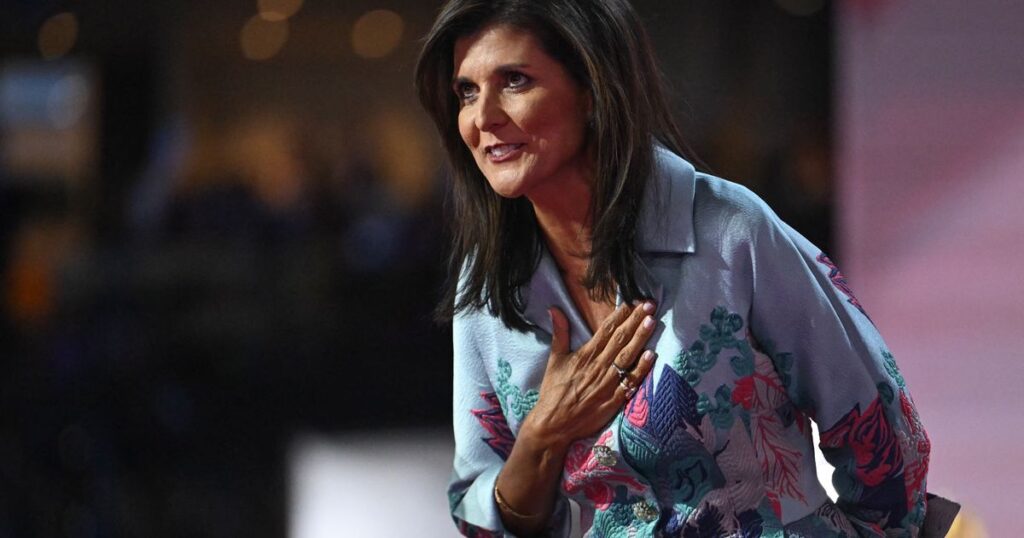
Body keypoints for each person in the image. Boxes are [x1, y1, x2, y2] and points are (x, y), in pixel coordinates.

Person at [414, 0, 931, 536]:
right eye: (466, 92)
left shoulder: (730, 232)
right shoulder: (486, 287)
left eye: (515, 80)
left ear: (592, 89)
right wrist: (544, 433)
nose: (483, 117)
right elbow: (480, 516)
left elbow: (883, 435)